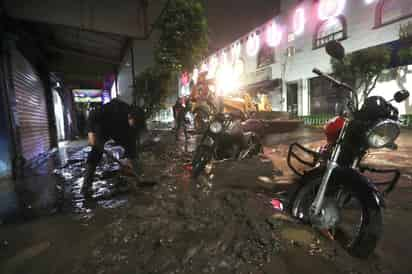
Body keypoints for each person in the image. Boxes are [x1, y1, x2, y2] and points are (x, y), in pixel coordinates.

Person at [82, 99, 146, 197]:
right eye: (135, 123)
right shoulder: (114, 108)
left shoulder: (133, 127)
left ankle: (135, 178)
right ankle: (86, 186)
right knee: (96, 153)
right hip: (103, 128)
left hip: (120, 132)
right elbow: (92, 115)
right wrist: (91, 133)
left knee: (132, 153)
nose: (136, 127)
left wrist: (128, 161)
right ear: (130, 117)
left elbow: (131, 146)